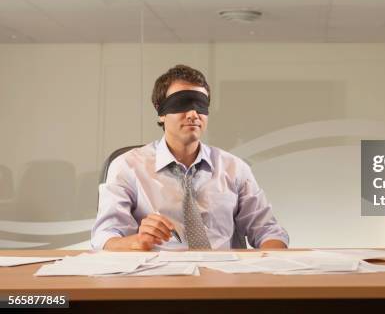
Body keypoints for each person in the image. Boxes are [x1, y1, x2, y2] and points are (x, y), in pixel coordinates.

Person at [91, 65, 289, 250]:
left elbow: (268, 231)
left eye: (201, 105)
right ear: (161, 112)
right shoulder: (127, 166)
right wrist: (136, 242)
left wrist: (270, 265)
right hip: (158, 277)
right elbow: (104, 235)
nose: (194, 113)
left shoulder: (234, 168)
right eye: (182, 103)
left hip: (224, 278)